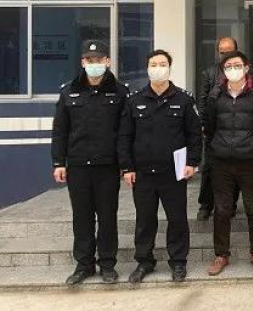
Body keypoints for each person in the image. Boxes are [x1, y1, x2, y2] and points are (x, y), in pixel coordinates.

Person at [118, 50, 202, 283]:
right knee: (145, 220)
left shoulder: (184, 99)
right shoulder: (134, 100)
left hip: (173, 172)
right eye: (153, 64)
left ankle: (178, 262)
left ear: (169, 68)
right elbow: (124, 137)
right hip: (143, 173)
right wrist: (127, 167)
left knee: (177, 219)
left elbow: (194, 134)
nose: (158, 68)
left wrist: (192, 162)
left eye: (162, 64)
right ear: (147, 69)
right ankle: (144, 261)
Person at [51, 40, 130, 286]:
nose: (94, 64)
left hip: (107, 166)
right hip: (78, 166)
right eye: (89, 60)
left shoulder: (120, 92)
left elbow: (125, 132)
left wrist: (125, 165)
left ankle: (107, 264)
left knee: (107, 217)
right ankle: (84, 264)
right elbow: (60, 130)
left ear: (108, 61)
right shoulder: (68, 92)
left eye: (99, 60)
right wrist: (58, 162)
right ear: (82, 62)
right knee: (82, 217)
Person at [203, 51, 253, 275]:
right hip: (221, 161)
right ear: (223, 70)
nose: (233, 69)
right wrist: (215, 149)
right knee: (222, 209)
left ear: (246, 68)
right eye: (228, 66)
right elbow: (208, 126)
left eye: (237, 65)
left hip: (249, 160)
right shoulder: (215, 94)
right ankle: (221, 255)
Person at [197, 37, 238, 222]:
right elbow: (203, 100)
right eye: (222, 52)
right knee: (208, 168)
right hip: (214, 128)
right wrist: (204, 124)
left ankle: (230, 204)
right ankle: (206, 205)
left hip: (237, 128)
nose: (225, 55)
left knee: (234, 168)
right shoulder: (209, 73)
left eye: (229, 51)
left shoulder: (244, 71)